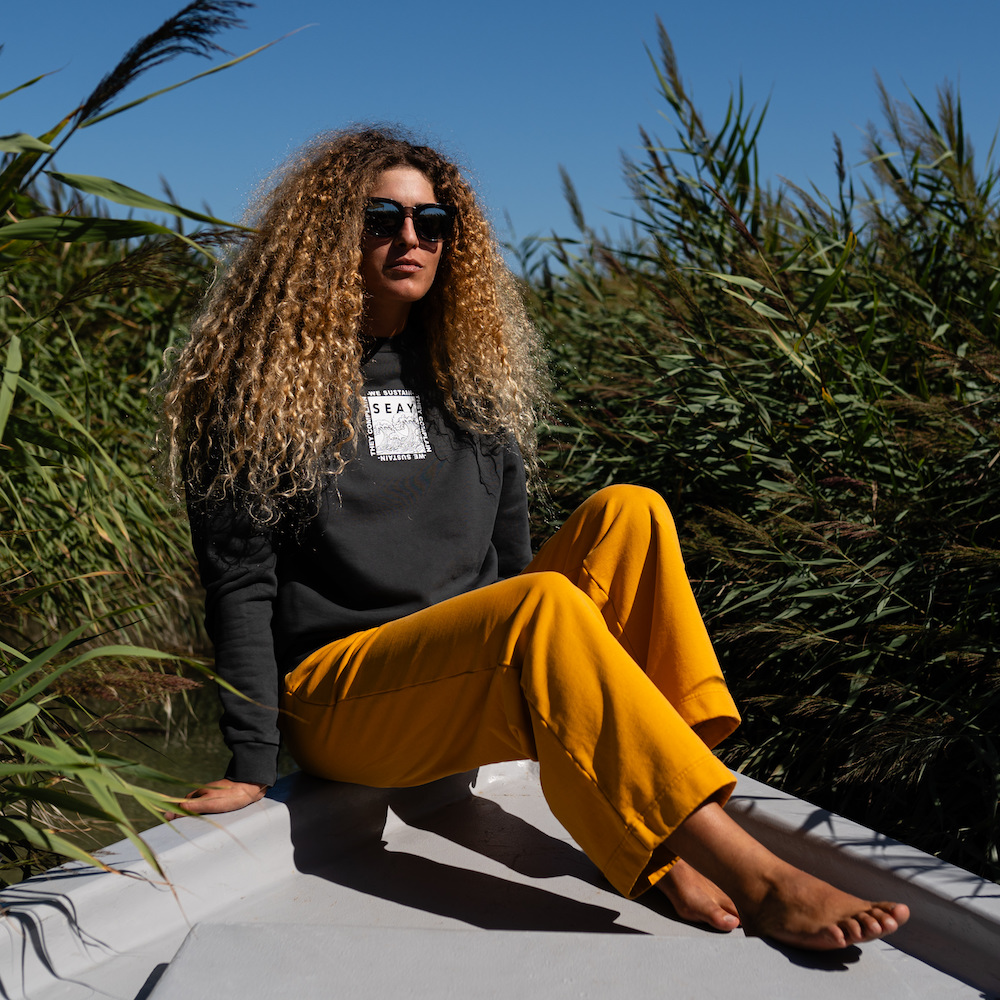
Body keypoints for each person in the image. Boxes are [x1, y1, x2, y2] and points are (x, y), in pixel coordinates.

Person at [160, 126, 909, 951]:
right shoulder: (253, 391)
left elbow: (515, 565)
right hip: (342, 697)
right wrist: (251, 763)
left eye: (431, 222)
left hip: (463, 676)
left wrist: (548, 692)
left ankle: (660, 819)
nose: (411, 239)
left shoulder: (464, 377)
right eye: (380, 219)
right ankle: (756, 877)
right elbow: (241, 587)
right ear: (327, 235)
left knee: (630, 511)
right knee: (541, 606)